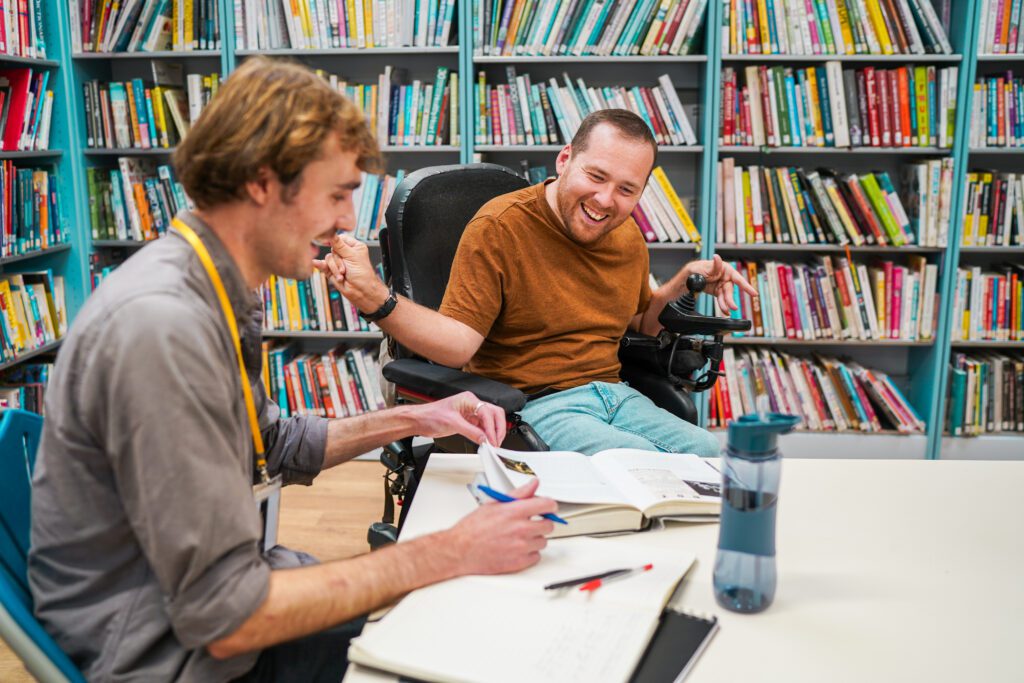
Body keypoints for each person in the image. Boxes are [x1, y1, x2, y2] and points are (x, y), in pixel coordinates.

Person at [28, 57, 557, 683]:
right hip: (173, 657)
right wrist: (445, 552)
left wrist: (420, 414)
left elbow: (273, 444)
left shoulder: (214, 290)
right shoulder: (163, 328)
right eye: (336, 194)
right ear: (262, 183)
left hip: (221, 610)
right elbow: (227, 617)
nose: (345, 223)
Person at [319, 108, 758, 457]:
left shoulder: (625, 234)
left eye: (627, 189)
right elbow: (457, 346)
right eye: (596, 176)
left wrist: (682, 282)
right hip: (534, 404)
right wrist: (377, 297)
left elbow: (640, 321)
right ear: (565, 159)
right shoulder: (499, 227)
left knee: (708, 456)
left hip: (613, 393)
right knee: (638, 466)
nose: (606, 201)